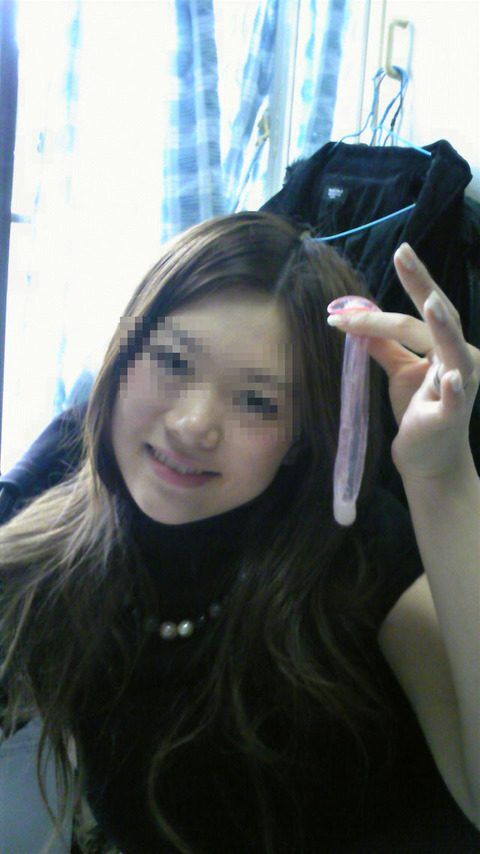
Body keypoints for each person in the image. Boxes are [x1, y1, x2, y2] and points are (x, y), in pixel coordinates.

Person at [0, 211, 479, 853]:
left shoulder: (359, 554)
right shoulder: (64, 494)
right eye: (172, 360)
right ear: (123, 352)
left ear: (300, 437)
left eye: (257, 401)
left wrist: (443, 477)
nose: (193, 424)